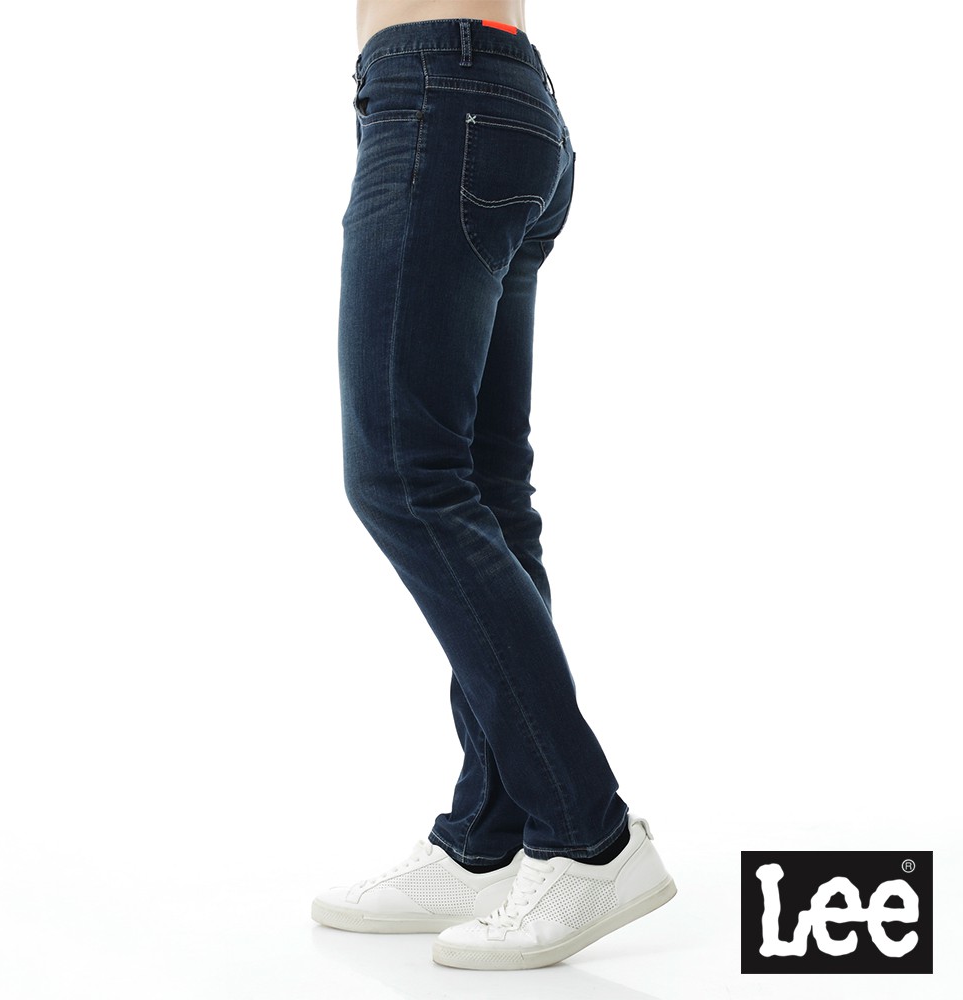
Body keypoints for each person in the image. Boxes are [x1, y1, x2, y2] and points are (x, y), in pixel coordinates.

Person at [312, 2, 677, 969]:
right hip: (490, 97)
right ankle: (490, 836)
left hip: (440, 96)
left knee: (405, 477)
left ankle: (587, 836)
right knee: (478, 484)